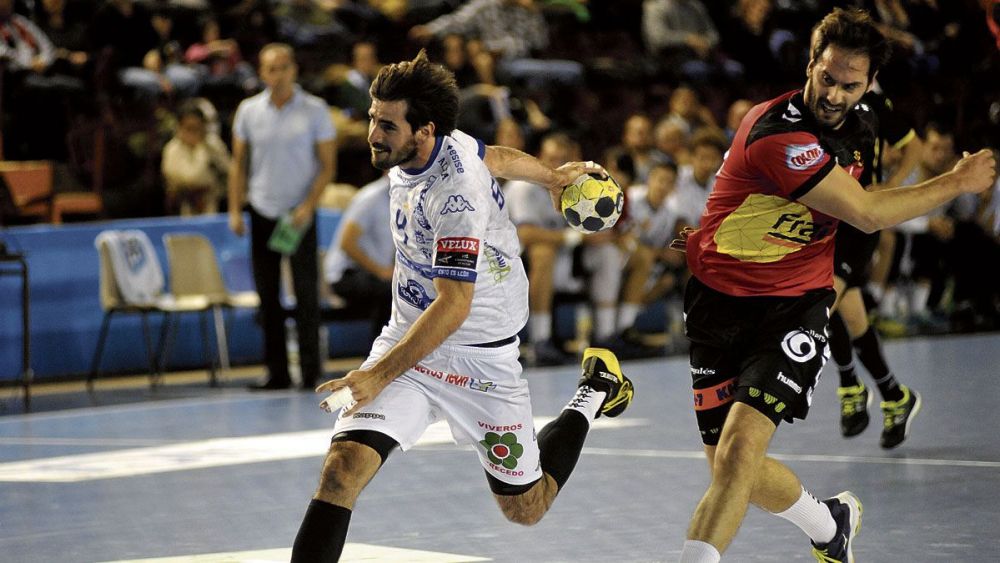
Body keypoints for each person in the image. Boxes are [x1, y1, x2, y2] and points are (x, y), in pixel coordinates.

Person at [674, 8, 996, 563]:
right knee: (728, 468)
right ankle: (830, 524)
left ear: (869, 84)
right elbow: (866, 212)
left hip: (793, 306)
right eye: (827, 79)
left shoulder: (863, 121)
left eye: (850, 85)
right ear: (810, 64)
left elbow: (856, 202)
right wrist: (956, 182)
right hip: (717, 305)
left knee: (739, 452)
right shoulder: (778, 133)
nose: (834, 95)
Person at [290, 50, 635, 562]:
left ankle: (595, 391)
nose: (372, 134)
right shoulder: (432, 146)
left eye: (387, 125)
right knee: (341, 469)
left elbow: (454, 306)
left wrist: (376, 375)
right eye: (372, 118)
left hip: (481, 360)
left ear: (424, 131)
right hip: (410, 342)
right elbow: (494, 156)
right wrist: (550, 176)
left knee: (526, 508)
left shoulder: (456, 197)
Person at [228, 43, 337, 391]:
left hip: (298, 213)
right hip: (262, 209)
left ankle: (310, 371)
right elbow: (238, 164)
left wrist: (309, 205)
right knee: (267, 294)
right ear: (262, 73)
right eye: (271, 69)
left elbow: (327, 165)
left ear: (294, 70)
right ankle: (276, 371)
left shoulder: (315, 110)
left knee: (306, 293)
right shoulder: (248, 111)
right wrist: (235, 208)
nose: (278, 75)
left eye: (284, 67)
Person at [828, 85, 924, 448]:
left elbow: (914, 147)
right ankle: (894, 395)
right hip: (827, 220)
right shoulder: (815, 103)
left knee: (821, 300)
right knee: (850, 315)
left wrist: (891, 185)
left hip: (859, 222)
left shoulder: (873, 105)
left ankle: (849, 385)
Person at [505, 132, 624, 365]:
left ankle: (606, 336)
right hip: (519, 266)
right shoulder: (522, 187)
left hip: (567, 259)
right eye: (551, 159)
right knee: (543, 251)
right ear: (538, 158)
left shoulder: (579, 186)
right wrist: (577, 237)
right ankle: (540, 340)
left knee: (608, 253)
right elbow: (526, 234)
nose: (556, 165)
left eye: (562, 159)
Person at [322, 174, 393, 347]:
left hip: (374, 275)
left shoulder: (405, 197)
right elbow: (347, 243)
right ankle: (379, 355)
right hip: (345, 275)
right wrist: (382, 272)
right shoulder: (370, 198)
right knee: (391, 291)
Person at [161, 100, 231, 216]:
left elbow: (229, 173)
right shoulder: (172, 149)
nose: (193, 133)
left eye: (197, 128)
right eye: (189, 128)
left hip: (213, 204)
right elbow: (186, 178)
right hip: (182, 206)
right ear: (179, 127)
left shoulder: (213, 145)